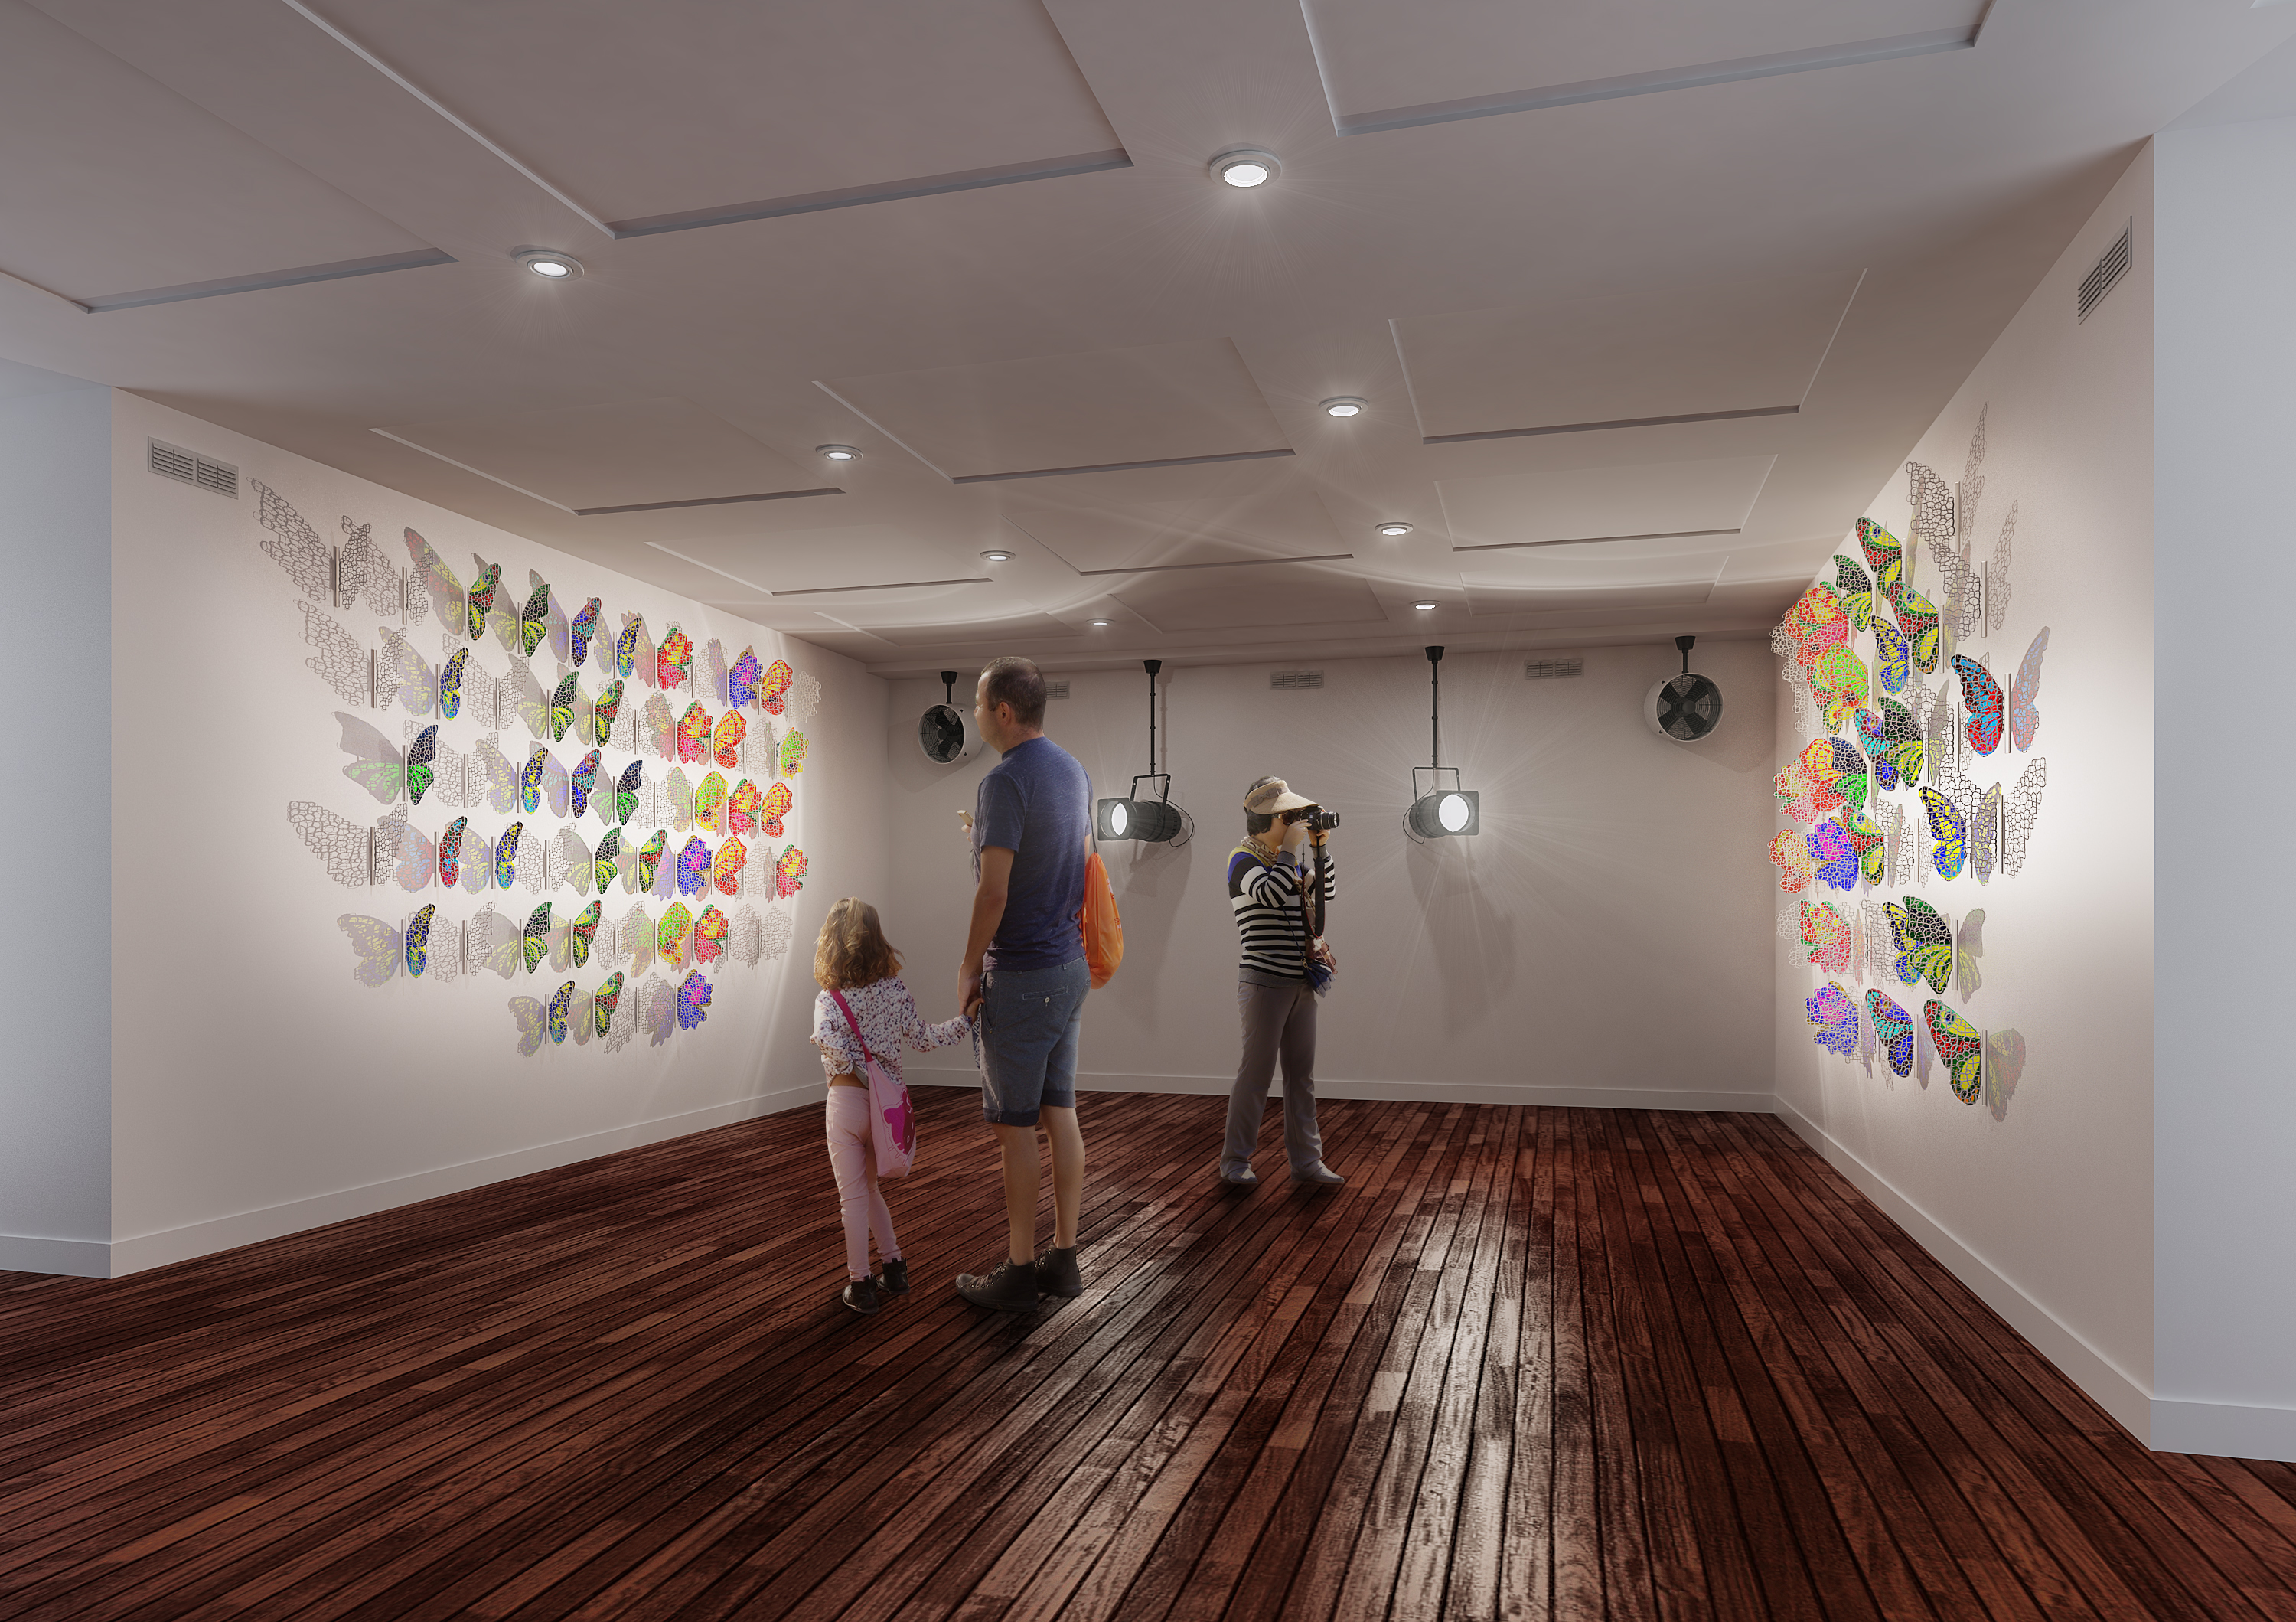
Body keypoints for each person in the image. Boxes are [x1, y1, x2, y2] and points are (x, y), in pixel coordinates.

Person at [954, 656, 1094, 1311]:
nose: (974, 713)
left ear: (1003, 711)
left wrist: (967, 966)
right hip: (1068, 966)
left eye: (979, 703)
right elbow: (1072, 858)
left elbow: (994, 892)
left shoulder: (1003, 781)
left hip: (1021, 970)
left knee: (1015, 1125)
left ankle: (1016, 1269)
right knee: (1059, 1110)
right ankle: (1062, 1257)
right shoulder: (1073, 769)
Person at [810, 897, 972, 1316]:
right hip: (886, 1107)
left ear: (831, 941)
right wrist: (966, 1022)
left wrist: (851, 1063)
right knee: (870, 1189)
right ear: (875, 938)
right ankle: (895, 1267)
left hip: (846, 1103)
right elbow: (923, 1038)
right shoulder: (894, 990)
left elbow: (826, 1039)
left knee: (853, 1199)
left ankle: (861, 1284)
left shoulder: (829, 999)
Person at [1221, 776, 1345, 1188]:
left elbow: (1326, 893)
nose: (1295, 822)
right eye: (1288, 816)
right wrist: (1291, 850)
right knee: (1256, 1077)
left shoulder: (1288, 862)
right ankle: (1235, 1162)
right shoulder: (1242, 859)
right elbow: (1271, 895)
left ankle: (1307, 1162)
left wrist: (1319, 849)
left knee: (1301, 1078)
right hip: (1264, 984)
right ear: (1269, 819)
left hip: (1302, 983)